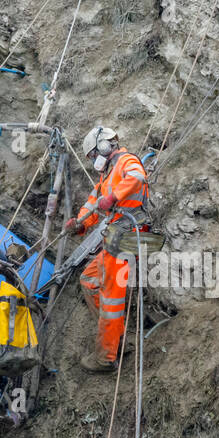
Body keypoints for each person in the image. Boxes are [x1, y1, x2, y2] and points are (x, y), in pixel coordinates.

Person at [64, 126, 150, 372]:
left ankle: (105, 358)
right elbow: (93, 204)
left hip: (126, 234)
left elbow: (137, 177)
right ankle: (118, 339)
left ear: (103, 147)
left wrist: (113, 197)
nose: (93, 160)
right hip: (115, 235)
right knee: (89, 279)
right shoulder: (106, 176)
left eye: (93, 155)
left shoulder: (126, 162)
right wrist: (79, 224)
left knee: (111, 299)